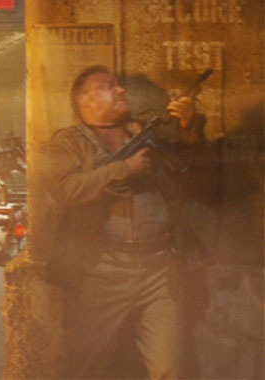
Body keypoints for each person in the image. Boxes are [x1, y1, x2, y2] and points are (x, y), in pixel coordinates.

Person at [41, 65, 204, 379]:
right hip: (103, 270)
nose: (120, 90)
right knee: (86, 367)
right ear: (84, 101)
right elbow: (65, 190)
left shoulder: (143, 132)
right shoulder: (68, 142)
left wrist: (187, 129)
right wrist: (125, 170)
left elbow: (192, 179)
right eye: (107, 86)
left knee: (171, 369)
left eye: (118, 84)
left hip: (159, 269)